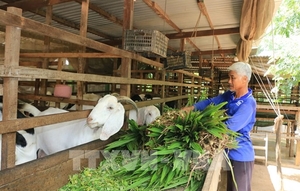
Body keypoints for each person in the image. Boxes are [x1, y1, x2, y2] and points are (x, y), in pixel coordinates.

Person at [181, 61, 256, 191]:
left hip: (240, 155)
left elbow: (228, 127)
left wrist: (199, 129)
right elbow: (211, 102)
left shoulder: (248, 103)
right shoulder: (230, 96)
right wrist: (191, 108)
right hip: (229, 152)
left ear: (244, 79)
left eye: (233, 78)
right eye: (229, 77)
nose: (229, 81)